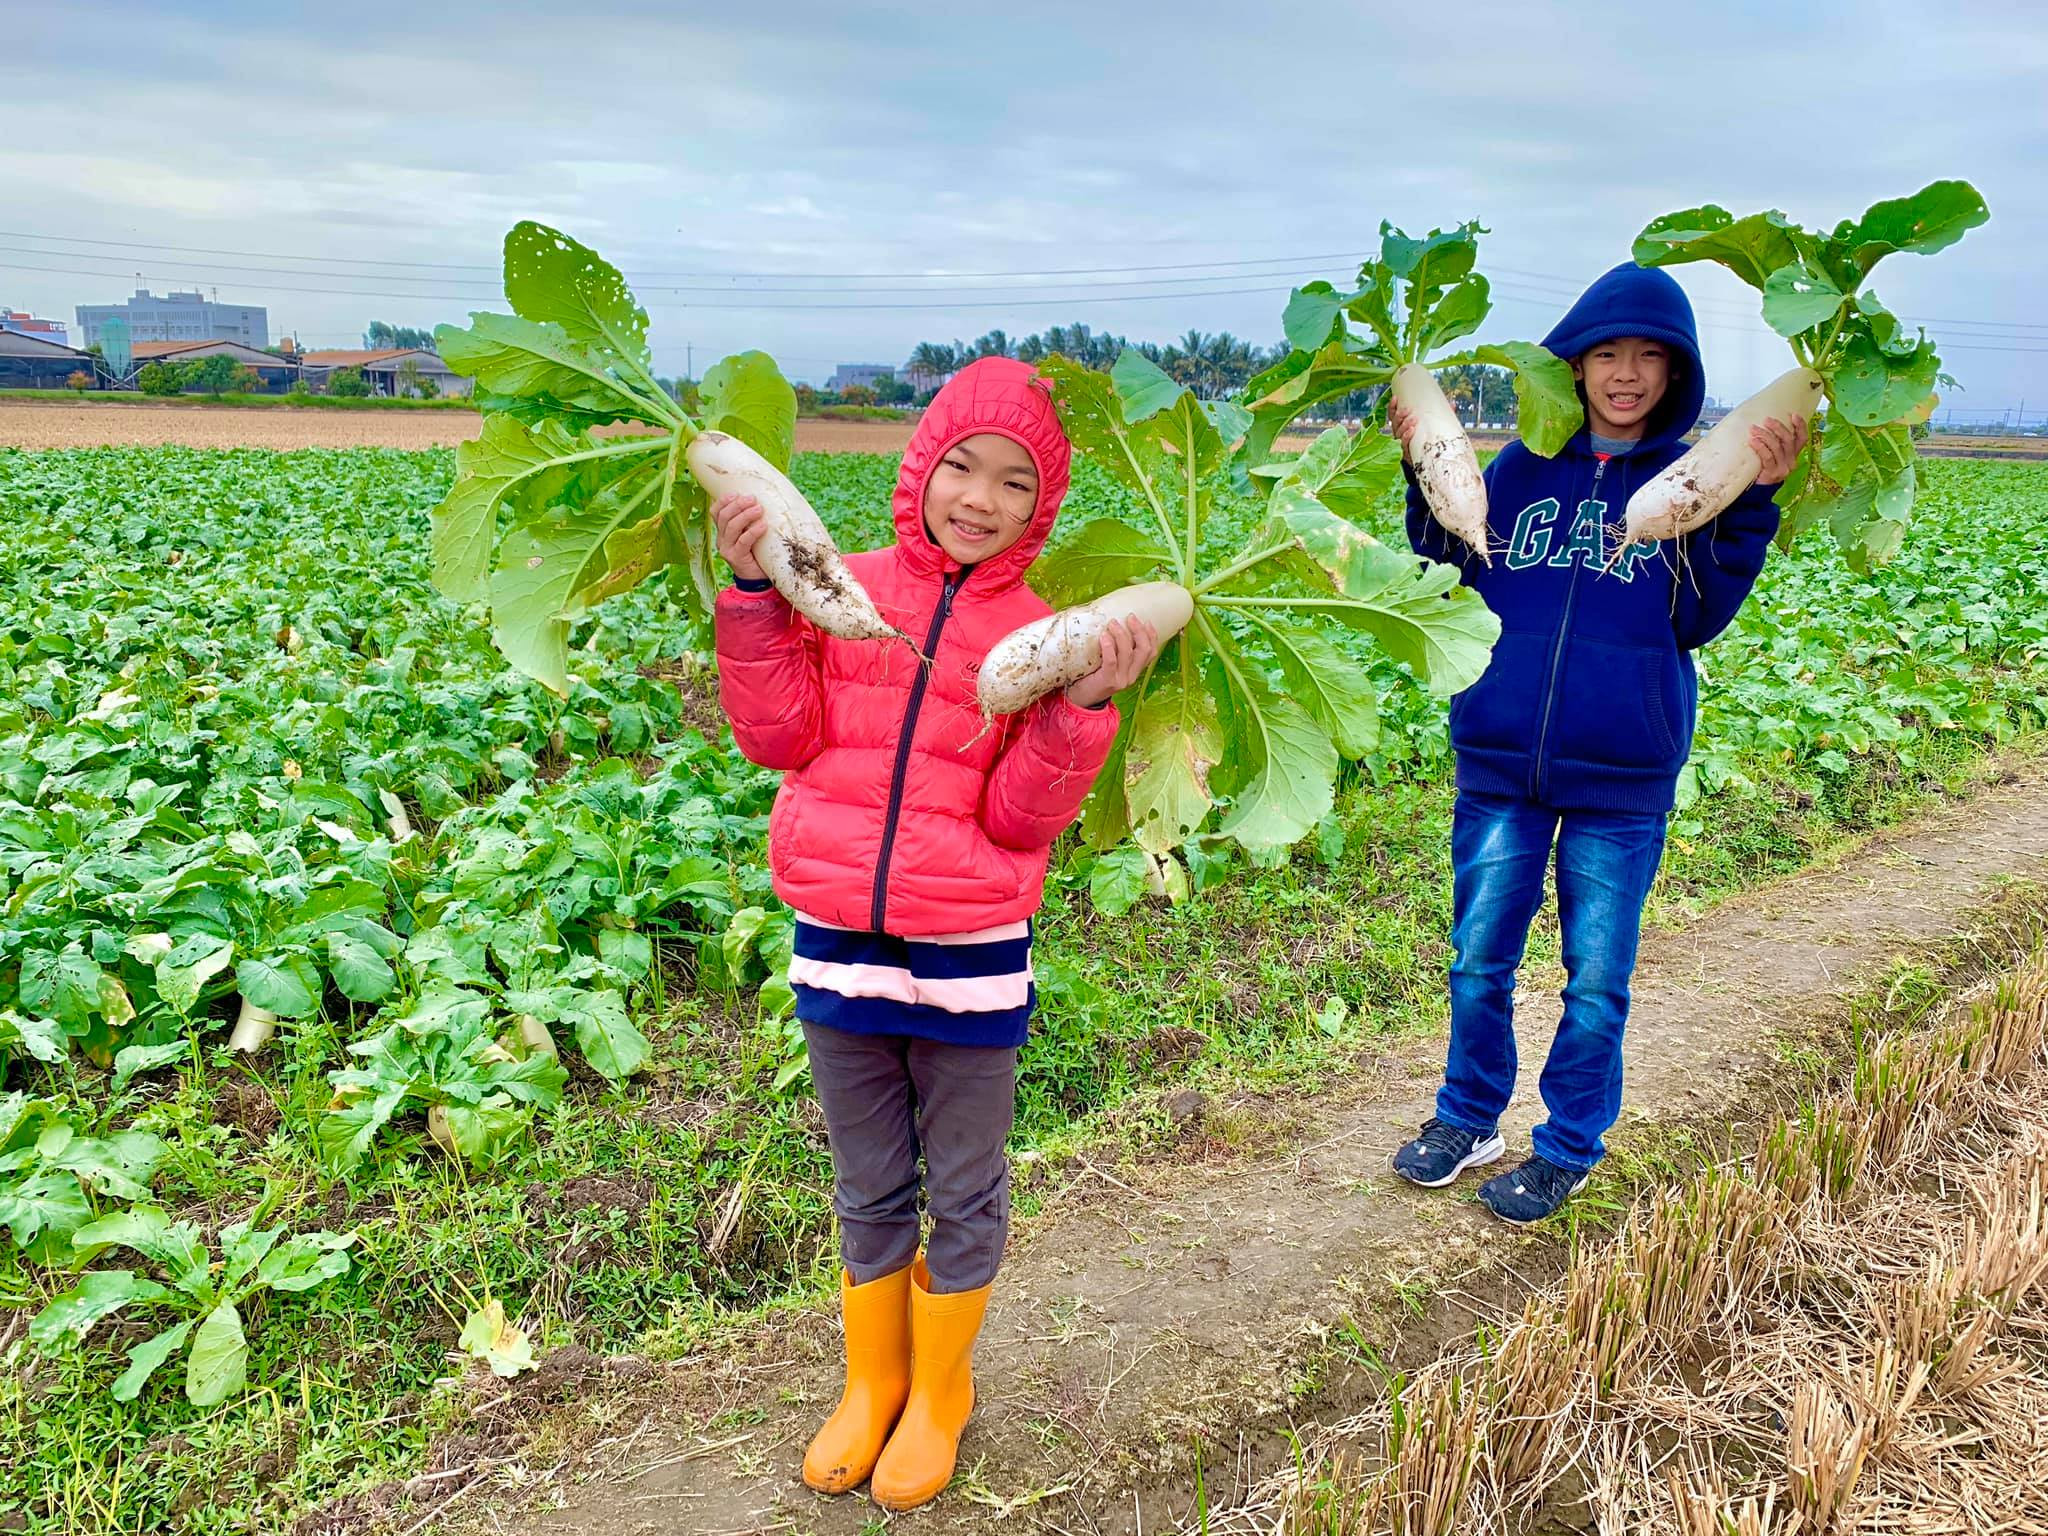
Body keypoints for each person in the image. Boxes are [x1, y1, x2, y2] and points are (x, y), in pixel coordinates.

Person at [711, 357, 1159, 1510]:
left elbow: (1021, 816)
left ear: (1037, 508)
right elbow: (777, 734)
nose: (978, 496)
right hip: (839, 945)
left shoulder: (1043, 634)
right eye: (960, 465)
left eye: (1013, 482)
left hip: (968, 959)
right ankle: (871, 1384)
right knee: (867, 1186)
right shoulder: (836, 587)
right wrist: (756, 594)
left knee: (960, 1188)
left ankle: (940, 1392)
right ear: (920, 468)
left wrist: (1085, 708)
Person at [1387, 263, 1807, 1224]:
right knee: (1478, 959)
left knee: (1597, 979)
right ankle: (1468, 1117)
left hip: (1623, 774)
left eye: (1649, 358)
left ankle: (1569, 1143)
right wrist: (1422, 465)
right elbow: (1449, 561)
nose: (1625, 374)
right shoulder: (1524, 468)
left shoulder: (1692, 482)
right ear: (1573, 368)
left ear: (1676, 374)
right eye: (1606, 355)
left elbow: (1698, 618)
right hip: (1501, 763)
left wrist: (1750, 501)